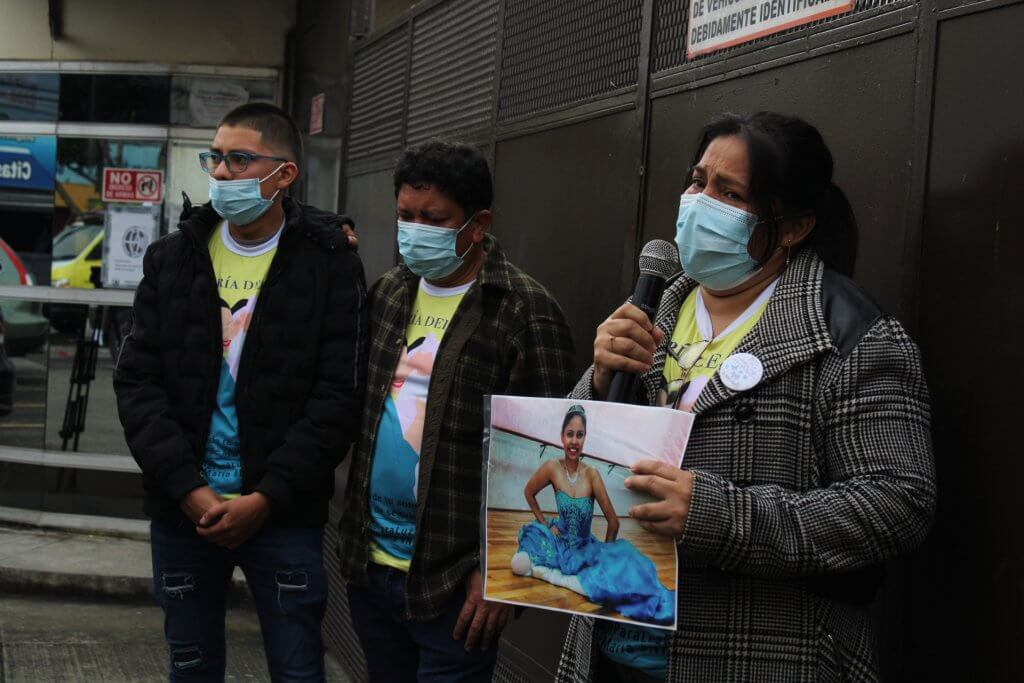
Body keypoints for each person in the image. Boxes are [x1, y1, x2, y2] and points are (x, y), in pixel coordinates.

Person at [556, 112, 936, 682]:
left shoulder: (852, 335)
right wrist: (600, 381)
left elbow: (898, 503)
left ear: (793, 226)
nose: (699, 201)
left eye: (728, 193)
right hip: (608, 645)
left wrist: (720, 515)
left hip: (758, 652)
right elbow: (572, 447)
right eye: (697, 180)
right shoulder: (652, 307)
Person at [114, 102, 367, 681]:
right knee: (191, 667)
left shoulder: (329, 265)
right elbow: (137, 382)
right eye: (215, 157)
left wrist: (267, 496)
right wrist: (187, 488)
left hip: (282, 516)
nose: (221, 172)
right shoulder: (172, 259)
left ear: (284, 174)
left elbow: (338, 397)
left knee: (298, 669)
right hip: (186, 516)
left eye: (239, 158)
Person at [337, 139, 577, 682]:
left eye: (434, 218)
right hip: (371, 569)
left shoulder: (525, 312)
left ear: (478, 223)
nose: (414, 229)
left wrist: (503, 577)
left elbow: (553, 457)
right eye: (405, 215)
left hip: (456, 586)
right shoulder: (389, 294)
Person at [512, 404, 675, 626]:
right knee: (523, 555)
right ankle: (547, 570)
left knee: (628, 564)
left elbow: (613, 522)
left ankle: (561, 575)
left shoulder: (592, 475)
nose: (574, 441)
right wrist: (545, 523)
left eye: (579, 435)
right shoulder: (551, 467)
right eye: (570, 434)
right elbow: (529, 492)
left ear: (584, 439)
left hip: (584, 548)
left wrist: (605, 560)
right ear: (562, 437)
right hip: (558, 539)